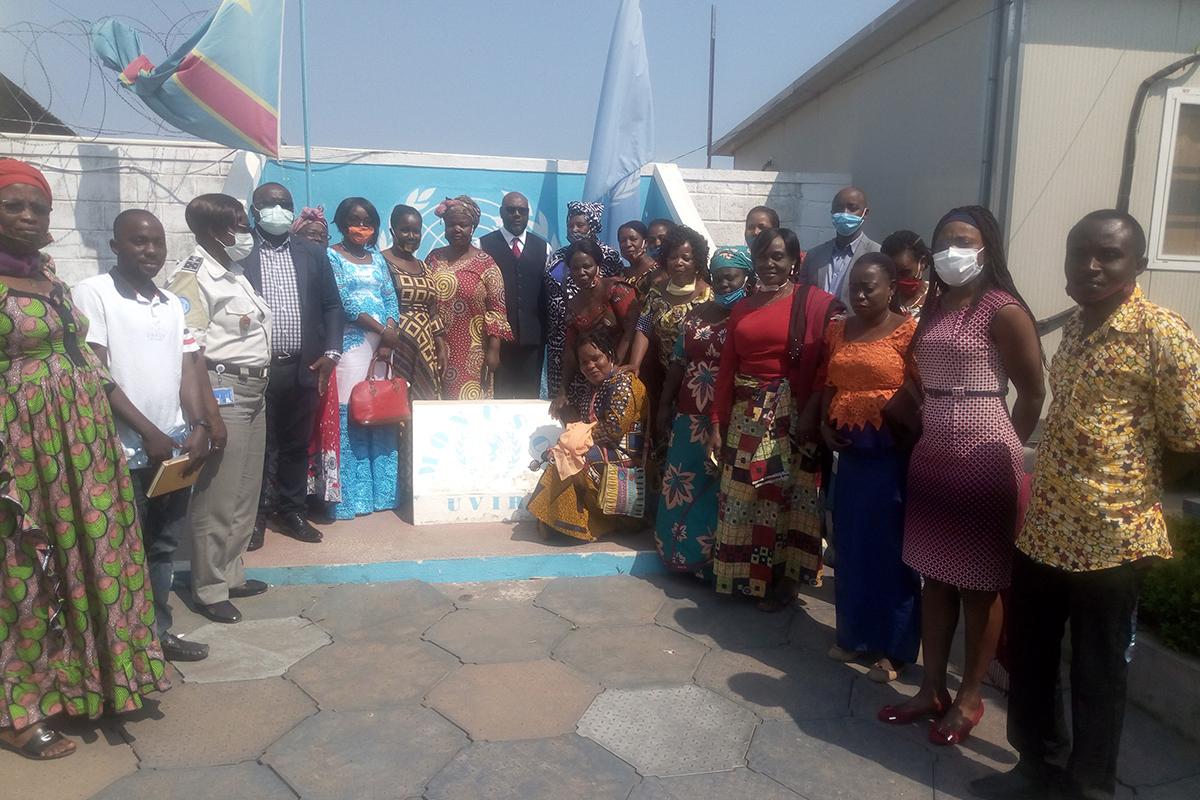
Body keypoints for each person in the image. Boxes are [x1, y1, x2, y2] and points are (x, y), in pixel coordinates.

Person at [972, 212, 1200, 800]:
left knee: (1098, 670)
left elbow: (1187, 441)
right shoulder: (1074, 326)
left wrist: (1126, 487)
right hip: (1048, 524)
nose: (1090, 266)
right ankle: (1036, 766)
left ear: (1138, 264)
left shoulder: (1163, 332)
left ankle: (1088, 788)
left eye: (1108, 255)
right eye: (1080, 253)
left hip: (1113, 537)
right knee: (1032, 655)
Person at [0, 159, 168, 760]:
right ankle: (19, 713)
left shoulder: (50, 277)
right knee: (26, 574)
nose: (28, 216)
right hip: (22, 452)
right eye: (13, 205)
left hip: (86, 446)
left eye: (38, 207)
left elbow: (86, 362)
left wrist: (137, 427)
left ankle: (96, 683)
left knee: (96, 558)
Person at [878, 206, 1045, 746]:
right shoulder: (934, 304)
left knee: (977, 584)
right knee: (934, 577)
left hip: (985, 455)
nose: (953, 250)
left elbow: (1033, 392)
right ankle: (931, 688)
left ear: (987, 248)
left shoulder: (1004, 310)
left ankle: (970, 698)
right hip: (931, 451)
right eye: (944, 240)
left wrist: (1006, 445)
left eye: (965, 241)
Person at [72, 209, 213, 663]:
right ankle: (122, 646)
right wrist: (148, 432)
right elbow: (96, 374)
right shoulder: (93, 293)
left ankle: (157, 635)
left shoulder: (170, 302)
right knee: (122, 550)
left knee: (162, 546)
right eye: (138, 241)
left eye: (157, 242)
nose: (150, 250)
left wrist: (199, 426)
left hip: (172, 450)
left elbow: (187, 370)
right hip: (123, 450)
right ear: (115, 245)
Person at [707, 227, 842, 611]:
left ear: (794, 261)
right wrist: (716, 422)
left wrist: (812, 414)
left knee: (785, 501)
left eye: (778, 256)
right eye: (763, 256)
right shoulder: (742, 308)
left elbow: (827, 364)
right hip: (744, 417)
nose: (769, 264)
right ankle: (745, 576)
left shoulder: (813, 303)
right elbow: (727, 370)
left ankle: (783, 581)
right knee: (742, 498)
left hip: (791, 418)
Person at [168, 193, 273, 624]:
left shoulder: (234, 272)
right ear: (215, 231)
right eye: (240, 226)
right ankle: (208, 587)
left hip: (254, 390)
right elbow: (188, 352)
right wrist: (209, 414)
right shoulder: (193, 276)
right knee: (217, 495)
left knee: (244, 490)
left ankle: (230, 572)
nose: (247, 233)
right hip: (222, 389)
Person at [818, 253, 920, 683]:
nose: (859, 295)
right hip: (852, 457)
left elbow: (920, 388)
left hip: (893, 455)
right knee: (851, 544)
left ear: (891, 288)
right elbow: (830, 381)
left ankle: (894, 648)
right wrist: (824, 424)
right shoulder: (839, 329)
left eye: (869, 287)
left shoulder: (909, 332)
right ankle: (853, 635)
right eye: (854, 287)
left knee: (891, 550)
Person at [243, 182, 343, 550]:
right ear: (255, 209)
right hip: (256, 369)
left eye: (285, 204)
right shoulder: (241, 252)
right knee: (258, 447)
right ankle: (255, 517)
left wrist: (331, 353)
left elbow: (332, 306)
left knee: (296, 445)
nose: (278, 210)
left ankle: (291, 511)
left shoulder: (311, 253)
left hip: (304, 366)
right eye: (270, 204)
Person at [654, 246, 752, 576]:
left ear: (745, 277)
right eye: (718, 277)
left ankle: (713, 565)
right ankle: (679, 557)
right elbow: (677, 362)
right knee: (682, 482)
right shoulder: (695, 314)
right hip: (688, 414)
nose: (724, 283)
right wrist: (665, 405)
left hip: (730, 415)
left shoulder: (749, 317)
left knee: (719, 488)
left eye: (731, 277)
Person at [527, 327, 648, 542]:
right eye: (584, 362)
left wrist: (576, 441)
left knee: (575, 459)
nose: (590, 366)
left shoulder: (624, 383)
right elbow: (587, 425)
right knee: (562, 455)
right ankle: (558, 519)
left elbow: (612, 431)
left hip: (625, 455)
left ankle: (582, 523)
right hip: (605, 448)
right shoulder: (594, 388)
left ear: (609, 354)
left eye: (595, 358)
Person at [326, 197, 401, 520]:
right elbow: (344, 301)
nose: (361, 227)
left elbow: (390, 298)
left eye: (368, 222)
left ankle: (383, 494)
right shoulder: (331, 256)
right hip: (352, 345)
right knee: (352, 413)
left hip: (383, 347)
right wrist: (381, 331)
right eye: (355, 221)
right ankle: (350, 499)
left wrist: (389, 335)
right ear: (342, 223)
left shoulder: (377, 259)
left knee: (382, 411)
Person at [428, 195, 514, 400]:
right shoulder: (433, 258)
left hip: (473, 352)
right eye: (451, 225)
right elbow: (426, 299)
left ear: (473, 227)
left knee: (469, 407)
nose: (457, 229)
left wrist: (494, 350)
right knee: (435, 406)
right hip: (434, 345)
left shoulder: (486, 263)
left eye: (463, 225)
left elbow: (497, 309)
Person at [551, 237, 639, 420]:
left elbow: (631, 331)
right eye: (575, 268)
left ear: (598, 265)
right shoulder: (574, 304)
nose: (581, 272)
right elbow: (570, 350)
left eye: (587, 266)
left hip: (625, 370)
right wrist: (562, 391)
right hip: (594, 376)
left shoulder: (616, 290)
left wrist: (614, 370)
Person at [544, 201, 625, 399]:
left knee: (597, 395)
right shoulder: (558, 257)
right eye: (570, 225)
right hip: (561, 339)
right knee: (564, 397)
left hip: (598, 344)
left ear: (593, 225)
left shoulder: (608, 255)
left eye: (580, 225)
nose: (574, 230)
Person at [479, 192, 549, 399]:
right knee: (500, 400)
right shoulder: (483, 245)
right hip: (498, 342)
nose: (517, 214)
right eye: (511, 210)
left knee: (529, 400)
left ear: (528, 214)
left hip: (532, 340)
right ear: (502, 213)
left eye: (522, 211)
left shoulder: (544, 248)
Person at [628, 225, 713, 378]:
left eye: (686, 258)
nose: (678, 262)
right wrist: (635, 365)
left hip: (698, 377)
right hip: (664, 374)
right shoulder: (656, 292)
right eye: (673, 257)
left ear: (697, 261)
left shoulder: (708, 296)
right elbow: (643, 328)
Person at [800, 186, 880, 304]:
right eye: (839, 208)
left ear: (865, 213)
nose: (845, 213)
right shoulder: (814, 256)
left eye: (852, 208)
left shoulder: (877, 255)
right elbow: (802, 297)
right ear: (832, 213)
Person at [881, 229, 932, 319]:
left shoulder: (938, 300)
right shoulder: (882, 301)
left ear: (922, 263)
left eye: (904, 272)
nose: (898, 278)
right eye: (892, 273)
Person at [618, 220, 659, 287]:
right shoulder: (621, 274)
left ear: (645, 242)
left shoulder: (657, 271)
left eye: (633, 239)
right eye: (623, 241)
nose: (628, 244)